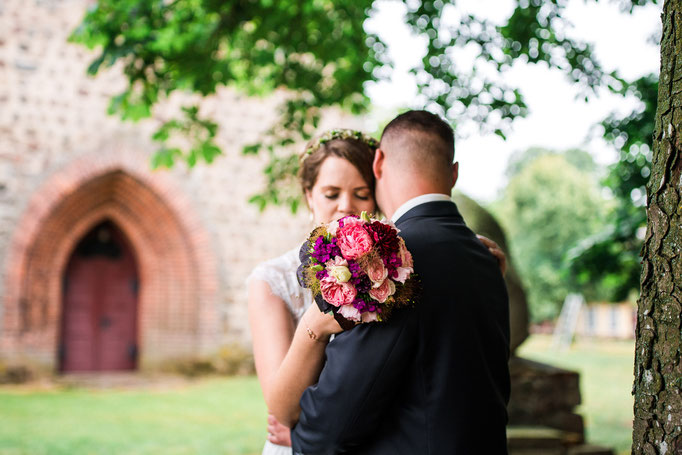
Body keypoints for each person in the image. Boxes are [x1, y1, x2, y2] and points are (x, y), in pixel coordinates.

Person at [247, 127, 507, 455]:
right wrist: (316, 325)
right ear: (308, 195)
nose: (346, 206)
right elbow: (281, 411)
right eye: (331, 194)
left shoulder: (395, 269)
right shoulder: (272, 280)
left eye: (361, 193)